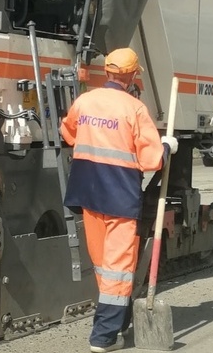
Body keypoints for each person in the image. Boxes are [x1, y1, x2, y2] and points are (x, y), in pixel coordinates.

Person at [61, 47, 178, 353]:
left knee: (104, 267)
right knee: (118, 269)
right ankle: (104, 337)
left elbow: (68, 133)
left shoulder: (85, 100)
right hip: (120, 200)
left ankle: (118, 322)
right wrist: (168, 147)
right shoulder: (134, 109)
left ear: (108, 71)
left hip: (88, 195)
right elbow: (152, 160)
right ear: (131, 75)